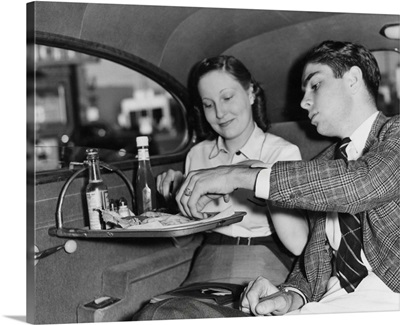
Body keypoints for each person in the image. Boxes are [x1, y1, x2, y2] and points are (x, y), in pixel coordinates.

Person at [134, 41, 400, 320]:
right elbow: (312, 269)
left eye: (316, 85)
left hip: (387, 304)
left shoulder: (393, 135)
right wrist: (288, 296)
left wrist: (237, 174)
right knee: (162, 312)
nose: (303, 101)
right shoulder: (324, 163)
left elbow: (364, 184)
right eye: (209, 104)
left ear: (353, 80)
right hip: (324, 307)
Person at [156, 55, 309, 285]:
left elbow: (298, 244)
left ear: (250, 93)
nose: (219, 112)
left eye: (227, 97)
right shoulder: (196, 155)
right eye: (209, 104)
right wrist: (175, 198)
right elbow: (186, 241)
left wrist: (253, 174)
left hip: (264, 258)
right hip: (208, 260)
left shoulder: (282, 154)